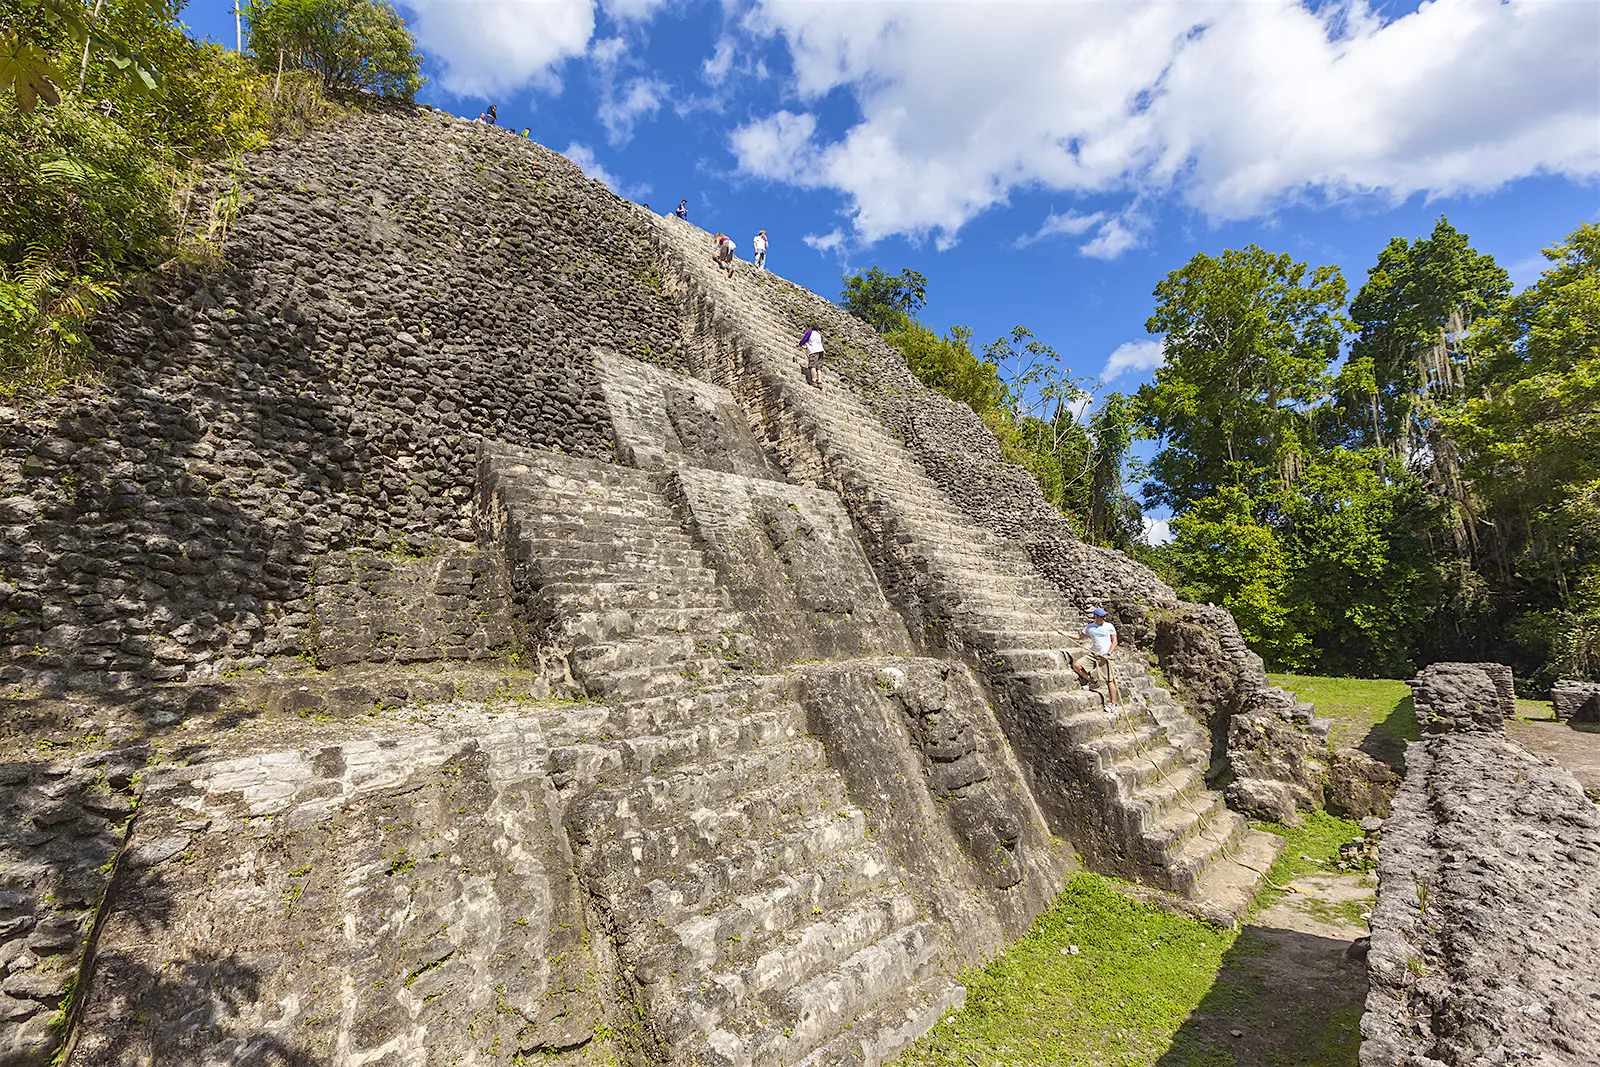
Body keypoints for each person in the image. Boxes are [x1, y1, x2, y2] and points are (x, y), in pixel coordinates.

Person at [1065, 607, 1120, 703]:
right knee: (1077, 666)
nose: (1103, 618)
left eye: (1103, 616)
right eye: (1100, 616)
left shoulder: (1109, 626)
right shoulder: (1089, 627)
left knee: (1109, 681)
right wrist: (1065, 633)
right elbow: (1079, 637)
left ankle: (1113, 704)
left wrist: (1108, 653)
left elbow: (1114, 642)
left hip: (1105, 656)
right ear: (1095, 617)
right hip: (1093, 655)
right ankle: (1093, 681)